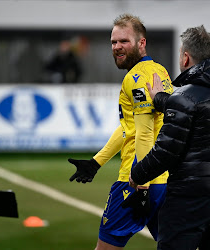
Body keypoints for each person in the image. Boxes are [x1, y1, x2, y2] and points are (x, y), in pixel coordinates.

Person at [129, 25, 210, 250]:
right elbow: (193, 109)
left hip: (192, 194)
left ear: (186, 57)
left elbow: (166, 151)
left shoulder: (185, 96)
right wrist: (161, 98)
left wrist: (138, 174)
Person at [67, 14, 173, 249]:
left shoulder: (135, 78)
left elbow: (144, 133)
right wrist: (96, 162)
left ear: (141, 43)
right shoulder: (160, 72)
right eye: (113, 42)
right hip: (165, 180)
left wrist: (142, 188)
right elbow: (131, 128)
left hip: (135, 182)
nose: (116, 47)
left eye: (124, 41)